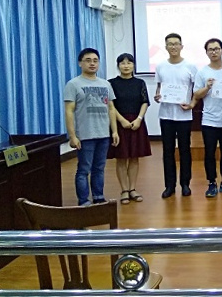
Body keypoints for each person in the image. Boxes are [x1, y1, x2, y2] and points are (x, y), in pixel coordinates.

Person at [64, 48, 119, 206]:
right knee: (83, 169)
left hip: (103, 134)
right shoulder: (73, 84)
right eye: (88, 60)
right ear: (80, 63)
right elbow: (69, 111)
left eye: (95, 60)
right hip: (85, 135)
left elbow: (111, 108)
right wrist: (72, 136)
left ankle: (98, 196)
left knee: (99, 168)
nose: (92, 63)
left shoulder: (105, 84)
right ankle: (83, 200)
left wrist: (114, 131)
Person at [154, 33, 198, 198]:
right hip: (166, 115)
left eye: (176, 44)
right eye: (170, 44)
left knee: (185, 150)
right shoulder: (160, 66)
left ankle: (185, 184)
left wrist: (192, 103)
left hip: (184, 115)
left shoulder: (190, 66)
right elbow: (159, 88)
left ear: (181, 46)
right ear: (166, 47)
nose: (173, 47)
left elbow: (196, 89)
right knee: (168, 151)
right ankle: (169, 186)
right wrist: (157, 96)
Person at [194, 38, 222, 197]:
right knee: (209, 153)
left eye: (216, 49)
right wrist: (207, 87)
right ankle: (211, 183)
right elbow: (196, 94)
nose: (214, 52)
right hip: (209, 120)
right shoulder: (202, 72)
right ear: (206, 52)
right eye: (210, 49)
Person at [108, 53, 151, 204]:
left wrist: (139, 119)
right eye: (122, 63)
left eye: (129, 62)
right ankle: (124, 190)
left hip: (136, 123)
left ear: (134, 65)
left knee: (134, 157)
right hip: (119, 123)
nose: (126, 66)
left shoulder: (140, 83)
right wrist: (121, 120)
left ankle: (132, 189)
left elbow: (145, 102)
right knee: (121, 158)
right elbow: (110, 105)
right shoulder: (111, 83)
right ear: (118, 66)